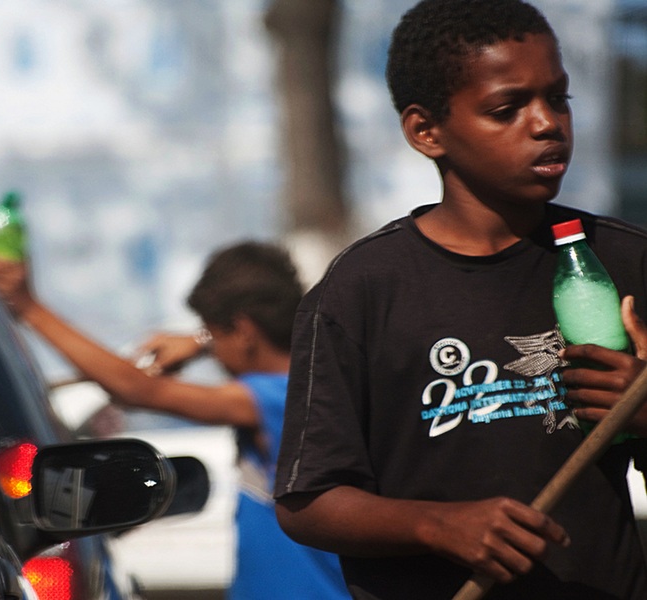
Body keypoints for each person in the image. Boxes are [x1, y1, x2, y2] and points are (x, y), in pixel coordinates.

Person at [273, 1, 647, 599]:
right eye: (507, 109)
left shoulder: (626, 261)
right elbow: (307, 501)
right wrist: (436, 525)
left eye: (559, 98)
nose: (547, 123)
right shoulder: (363, 289)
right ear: (426, 132)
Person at [0, 241, 351, 600]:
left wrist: (29, 308)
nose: (217, 355)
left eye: (215, 332)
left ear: (243, 330)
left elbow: (137, 390)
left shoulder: (282, 397)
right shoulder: (312, 383)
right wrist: (204, 340)